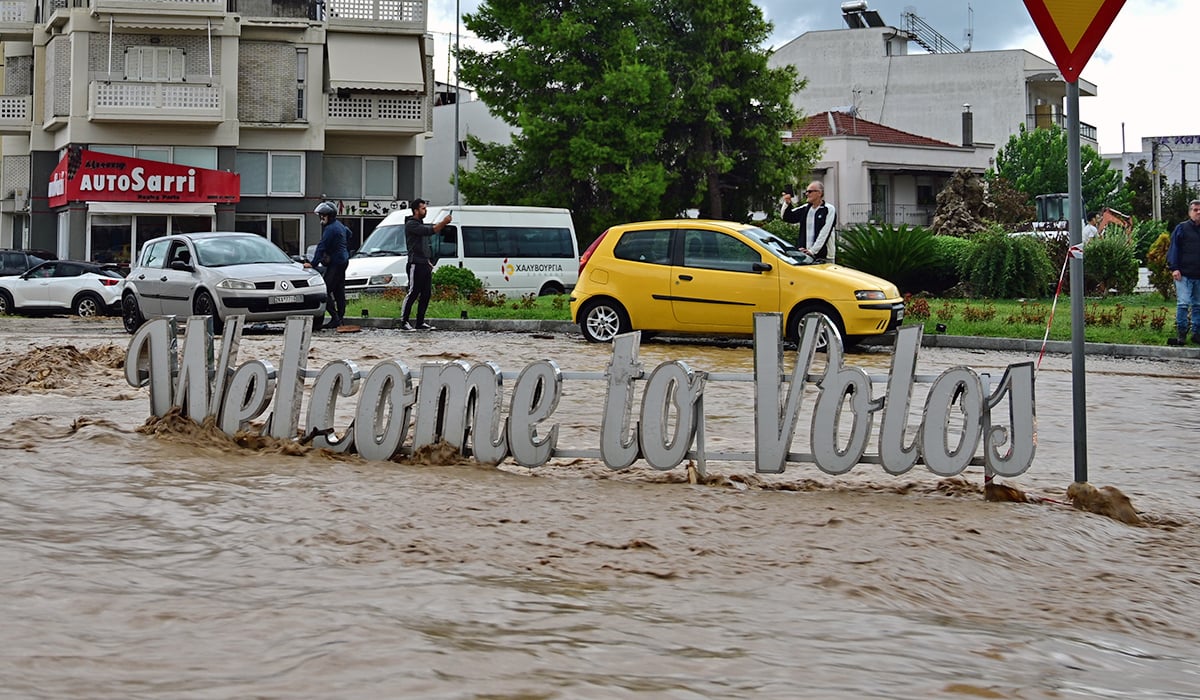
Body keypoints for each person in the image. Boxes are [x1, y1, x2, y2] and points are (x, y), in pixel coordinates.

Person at [400, 198, 452, 331]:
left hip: (424, 263)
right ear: (416, 210)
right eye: (423, 208)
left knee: (426, 293)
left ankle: (420, 322)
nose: (425, 210)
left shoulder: (420, 223)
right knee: (413, 292)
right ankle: (404, 321)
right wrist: (444, 222)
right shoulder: (412, 224)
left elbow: (425, 243)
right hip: (415, 263)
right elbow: (432, 230)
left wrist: (428, 260)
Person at [307, 201, 351, 330]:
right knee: (338, 290)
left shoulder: (330, 229)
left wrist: (313, 263)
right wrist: (340, 246)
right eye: (320, 216)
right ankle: (341, 317)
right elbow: (349, 234)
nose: (321, 218)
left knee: (324, 292)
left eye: (324, 216)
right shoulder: (340, 226)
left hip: (336, 263)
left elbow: (321, 247)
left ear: (330, 216)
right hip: (343, 260)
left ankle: (335, 318)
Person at [1166, 199, 1200, 346]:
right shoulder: (1182, 228)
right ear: (1189, 212)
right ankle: (1181, 335)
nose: (1198, 212)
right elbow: (1174, 249)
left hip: (1198, 275)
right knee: (1183, 304)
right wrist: (1174, 268)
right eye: (1195, 210)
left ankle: (1197, 334)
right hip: (1183, 275)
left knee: (1198, 305)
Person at [780, 180, 837, 260]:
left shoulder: (828, 209)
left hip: (824, 257)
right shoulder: (805, 209)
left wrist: (812, 251)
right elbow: (787, 217)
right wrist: (787, 203)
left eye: (810, 192)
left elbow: (825, 233)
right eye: (806, 192)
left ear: (819, 193)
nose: (807, 194)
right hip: (805, 256)